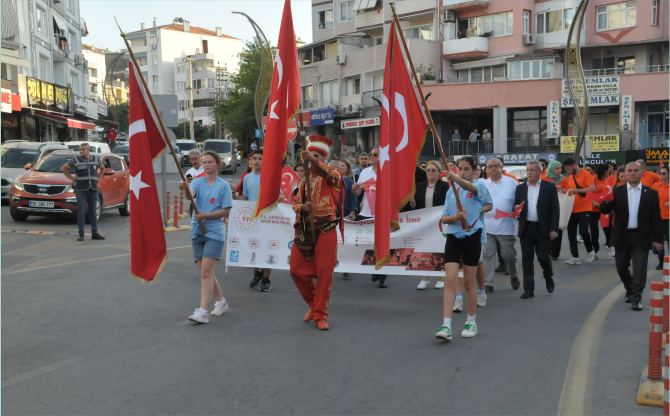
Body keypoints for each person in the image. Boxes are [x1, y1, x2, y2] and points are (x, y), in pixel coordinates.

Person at [291, 137, 343, 330]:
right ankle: (314, 304)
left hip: (327, 227)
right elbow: (295, 204)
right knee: (295, 270)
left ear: (323, 158)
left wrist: (313, 161)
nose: (311, 160)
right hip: (306, 228)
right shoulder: (304, 182)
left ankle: (320, 315)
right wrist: (303, 207)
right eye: (309, 156)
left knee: (324, 272)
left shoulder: (333, 174)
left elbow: (333, 176)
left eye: (316, 157)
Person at [435, 156, 488, 341]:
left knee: (468, 282)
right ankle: (446, 325)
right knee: (450, 280)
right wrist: (455, 218)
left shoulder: (479, 186)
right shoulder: (451, 191)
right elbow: (444, 218)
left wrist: (457, 179)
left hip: (472, 236)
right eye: (460, 169)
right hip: (453, 237)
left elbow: (470, 188)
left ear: (474, 170)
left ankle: (471, 322)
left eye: (466, 169)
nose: (463, 172)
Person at [178, 151, 233, 324]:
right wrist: (185, 188)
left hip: (214, 231)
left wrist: (206, 216)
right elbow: (190, 196)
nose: (206, 164)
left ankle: (202, 311)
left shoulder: (224, 185)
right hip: (197, 230)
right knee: (206, 272)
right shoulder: (198, 182)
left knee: (206, 273)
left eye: (210, 162)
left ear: (217, 164)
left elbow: (226, 211)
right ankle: (221, 302)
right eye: (204, 162)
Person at [600, 162, 664, 311]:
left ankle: (636, 298)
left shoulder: (651, 193)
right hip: (622, 235)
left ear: (642, 172)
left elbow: (656, 217)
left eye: (636, 170)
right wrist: (606, 199)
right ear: (625, 174)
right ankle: (630, 288)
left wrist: (658, 240)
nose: (633, 173)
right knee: (621, 267)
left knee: (640, 268)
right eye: (629, 171)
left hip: (641, 236)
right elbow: (605, 210)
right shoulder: (617, 191)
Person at [514, 160, 560, 299]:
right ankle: (528, 289)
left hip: (543, 228)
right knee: (526, 261)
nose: (529, 172)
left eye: (532, 170)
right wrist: (516, 209)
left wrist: (554, 228)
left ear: (540, 172)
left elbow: (555, 209)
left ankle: (549, 277)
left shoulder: (549, 186)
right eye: (527, 170)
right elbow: (515, 206)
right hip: (526, 228)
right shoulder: (520, 188)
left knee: (543, 258)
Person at [235, 150, 273, 292]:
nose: (256, 161)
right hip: (252, 219)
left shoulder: (270, 177)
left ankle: (266, 279)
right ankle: (257, 271)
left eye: (260, 158)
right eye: (254, 158)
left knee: (269, 247)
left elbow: (280, 194)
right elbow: (245, 198)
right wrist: (231, 197)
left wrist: (279, 198)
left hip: (267, 217)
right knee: (252, 247)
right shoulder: (247, 178)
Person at [409, 161, 449, 289]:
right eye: (428, 170)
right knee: (423, 250)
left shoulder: (444, 186)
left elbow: (447, 204)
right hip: (424, 223)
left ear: (439, 172)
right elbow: (415, 207)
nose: (430, 172)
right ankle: (424, 278)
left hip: (439, 223)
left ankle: (439, 277)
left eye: (433, 170)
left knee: (438, 249)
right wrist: (412, 202)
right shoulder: (420, 186)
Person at [482, 157, 520, 293]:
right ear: (486, 170)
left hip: (506, 225)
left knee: (508, 255)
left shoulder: (512, 182)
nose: (493, 168)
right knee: (488, 255)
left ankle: (514, 275)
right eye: (490, 166)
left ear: (502, 168)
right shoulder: (483, 184)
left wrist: (517, 207)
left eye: (496, 166)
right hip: (487, 225)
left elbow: (520, 200)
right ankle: (488, 284)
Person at [352, 146, 388, 288]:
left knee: (383, 244)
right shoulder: (365, 172)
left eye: (374, 154)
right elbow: (359, 193)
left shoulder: (387, 171)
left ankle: (382, 276)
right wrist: (355, 188)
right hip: (366, 213)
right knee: (368, 244)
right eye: (370, 154)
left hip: (382, 214)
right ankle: (374, 266)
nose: (371, 156)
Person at [60, 143, 105, 241]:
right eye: (80, 149)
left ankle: (95, 233)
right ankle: (81, 233)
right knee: (81, 211)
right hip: (81, 189)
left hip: (93, 189)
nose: (81, 151)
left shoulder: (96, 159)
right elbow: (63, 168)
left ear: (88, 150)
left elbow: (102, 168)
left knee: (93, 212)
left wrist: (99, 178)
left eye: (83, 149)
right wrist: (72, 178)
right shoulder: (75, 160)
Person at [562, 157, 597, 265]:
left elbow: (592, 188)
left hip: (585, 208)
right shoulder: (570, 177)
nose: (568, 171)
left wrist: (578, 190)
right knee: (571, 234)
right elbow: (569, 191)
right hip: (572, 209)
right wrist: (560, 190)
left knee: (584, 231)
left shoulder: (586, 174)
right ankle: (575, 256)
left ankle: (590, 251)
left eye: (568, 169)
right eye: (566, 170)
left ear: (574, 165)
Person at [544, 160, 569, 260]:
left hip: (559, 206)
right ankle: (546, 250)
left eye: (560, 168)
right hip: (545, 207)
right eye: (557, 168)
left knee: (557, 228)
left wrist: (560, 190)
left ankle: (555, 253)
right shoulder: (544, 178)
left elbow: (569, 192)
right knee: (545, 229)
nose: (559, 170)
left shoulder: (564, 179)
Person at [652, 164, 669, 270]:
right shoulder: (655, 187)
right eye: (659, 173)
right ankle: (661, 262)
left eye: (664, 173)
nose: (661, 175)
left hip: (669, 217)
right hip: (658, 217)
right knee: (659, 241)